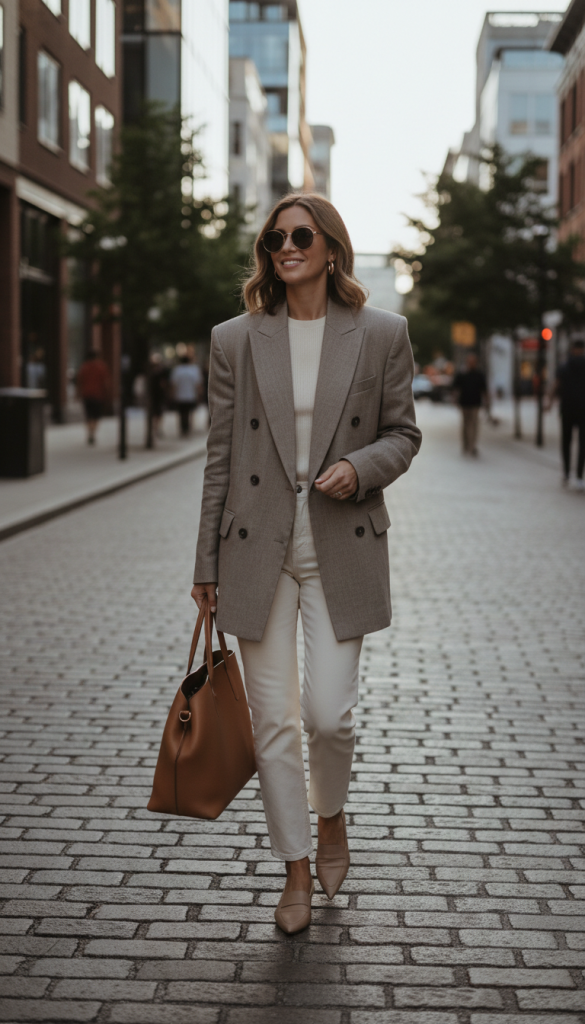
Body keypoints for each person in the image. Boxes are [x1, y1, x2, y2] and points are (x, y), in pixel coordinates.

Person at [191, 193, 422, 935]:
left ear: (331, 249)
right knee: (273, 723)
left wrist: (360, 467)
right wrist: (205, 563)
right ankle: (293, 866)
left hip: (338, 541)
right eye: (275, 239)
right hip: (254, 545)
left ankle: (331, 815)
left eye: (301, 235)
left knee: (328, 716)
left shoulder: (381, 332)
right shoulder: (235, 339)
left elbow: (403, 434)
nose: (286, 247)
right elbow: (220, 458)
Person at [550, 340, 585, 490]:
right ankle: (579, 476)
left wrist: (549, 402)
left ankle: (566, 473)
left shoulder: (564, 366)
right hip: (583, 409)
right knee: (582, 443)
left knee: (566, 441)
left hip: (567, 408)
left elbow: (556, 384)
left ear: (572, 349)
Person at [453, 352, 489, 456]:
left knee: (474, 425)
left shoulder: (479, 375)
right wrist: (455, 399)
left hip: (475, 404)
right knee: (465, 425)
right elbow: (456, 388)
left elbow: (484, 390)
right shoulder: (462, 374)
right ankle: (466, 445)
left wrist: (487, 402)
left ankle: (472, 446)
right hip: (464, 403)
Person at [76, 350, 111, 445]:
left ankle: (90, 433)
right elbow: (106, 382)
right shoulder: (101, 366)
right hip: (98, 395)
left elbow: (79, 381)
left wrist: (77, 394)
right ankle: (93, 433)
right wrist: (107, 394)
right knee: (96, 415)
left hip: (86, 394)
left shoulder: (84, 367)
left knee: (88, 415)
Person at [170, 354, 202, 437]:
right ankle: (188, 428)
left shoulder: (177, 370)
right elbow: (198, 384)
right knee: (190, 413)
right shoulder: (194, 370)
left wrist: (172, 394)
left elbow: (174, 384)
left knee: (181, 413)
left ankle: (183, 428)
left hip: (180, 395)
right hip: (191, 395)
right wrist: (199, 394)